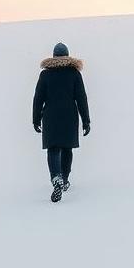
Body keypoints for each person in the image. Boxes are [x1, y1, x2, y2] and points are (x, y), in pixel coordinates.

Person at [32, 42, 91, 203]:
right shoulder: (74, 73)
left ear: (53, 56)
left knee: (53, 148)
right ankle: (64, 179)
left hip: (50, 116)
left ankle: (56, 177)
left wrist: (36, 119)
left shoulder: (45, 75)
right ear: (67, 55)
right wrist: (86, 120)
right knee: (67, 148)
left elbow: (38, 98)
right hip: (69, 116)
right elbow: (81, 98)